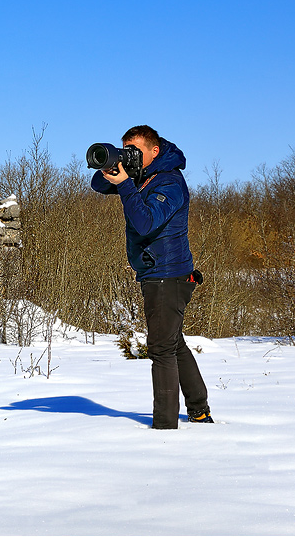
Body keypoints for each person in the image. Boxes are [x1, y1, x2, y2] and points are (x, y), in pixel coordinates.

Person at [90, 125, 213, 429]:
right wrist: (114, 164)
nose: (129, 155)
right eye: (125, 149)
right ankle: (199, 411)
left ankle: (165, 426)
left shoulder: (169, 182)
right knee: (173, 343)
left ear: (154, 151)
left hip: (167, 275)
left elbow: (145, 223)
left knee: (161, 349)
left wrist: (125, 185)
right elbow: (98, 184)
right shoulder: (141, 174)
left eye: (134, 150)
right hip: (158, 272)